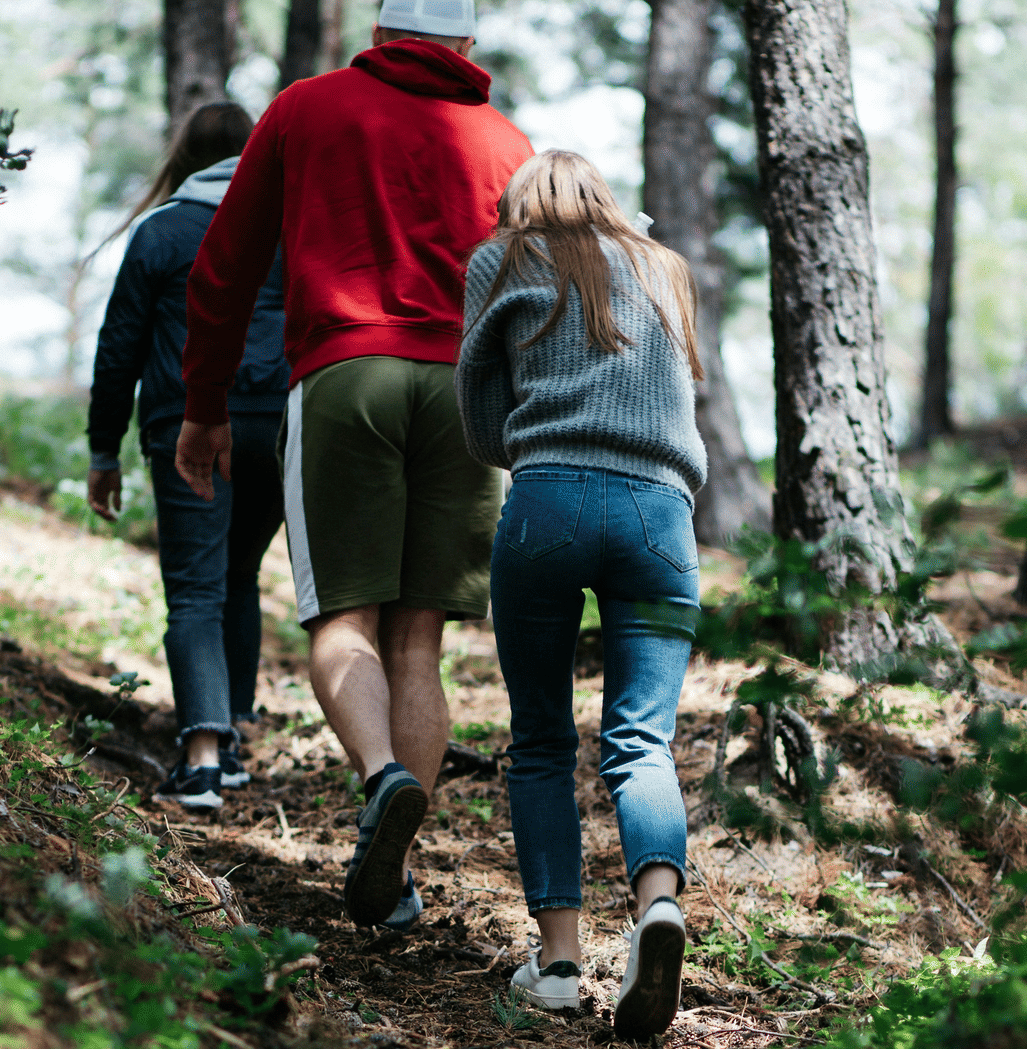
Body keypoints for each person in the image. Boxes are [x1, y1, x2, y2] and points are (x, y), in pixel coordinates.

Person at [173, 0, 534, 931]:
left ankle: (383, 780)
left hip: (344, 375)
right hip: (464, 390)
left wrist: (205, 406)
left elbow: (225, 265)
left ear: (381, 31)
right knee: (419, 638)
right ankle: (398, 872)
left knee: (344, 620)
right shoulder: (508, 142)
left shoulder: (305, 108)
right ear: (465, 42)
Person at [455, 150, 706, 1038]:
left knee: (541, 743)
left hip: (549, 499)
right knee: (643, 739)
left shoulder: (503, 259)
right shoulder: (663, 265)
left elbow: (481, 419)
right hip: (662, 517)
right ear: (607, 198)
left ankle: (559, 965)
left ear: (520, 203)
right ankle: (658, 910)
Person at [86, 101, 290, 814]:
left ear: (183, 157)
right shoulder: (286, 227)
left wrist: (102, 449)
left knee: (198, 587)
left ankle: (202, 759)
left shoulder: (162, 231)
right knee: (239, 573)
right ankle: (231, 738)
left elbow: (119, 351)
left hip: (190, 425)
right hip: (279, 424)